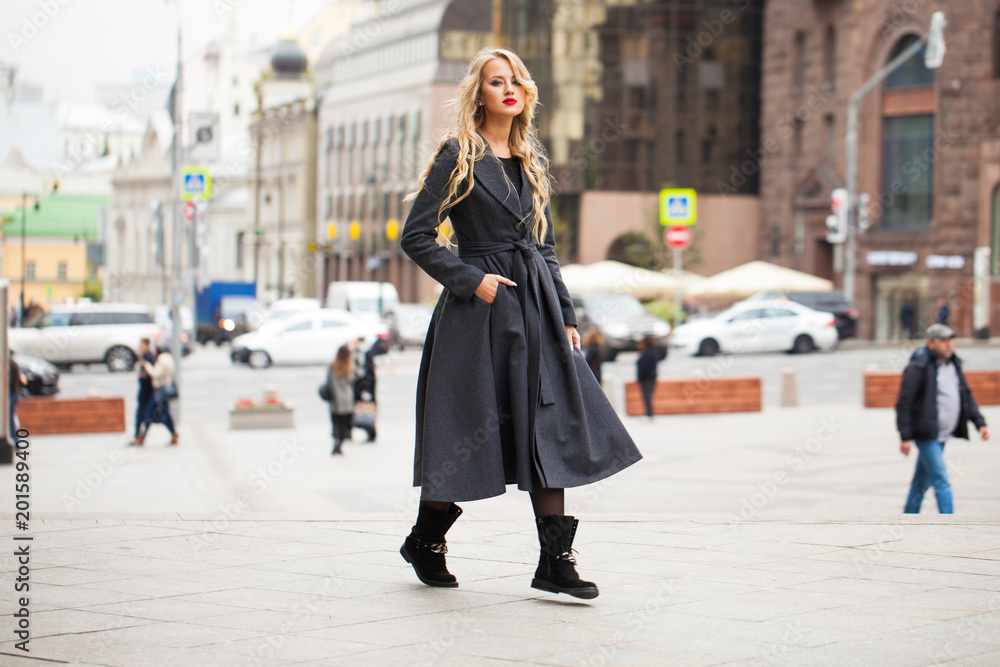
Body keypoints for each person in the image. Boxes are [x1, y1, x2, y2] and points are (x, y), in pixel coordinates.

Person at [398, 47, 641, 599]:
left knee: (545, 429)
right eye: (495, 81)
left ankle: (555, 561)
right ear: (478, 94)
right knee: (467, 433)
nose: (509, 88)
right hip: (477, 315)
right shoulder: (458, 155)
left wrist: (567, 315)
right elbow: (415, 236)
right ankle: (426, 540)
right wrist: (470, 279)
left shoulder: (531, 160)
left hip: (533, 310)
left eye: (515, 81)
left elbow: (545, 249)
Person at [895, 324, 989, 513]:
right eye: (943, 340)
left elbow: (966, 396)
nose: (948, 345)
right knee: (941, 478)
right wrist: (905, 436)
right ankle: (949, 523)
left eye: (950, 340)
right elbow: (905, 403)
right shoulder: (919, 367)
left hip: (942, 434)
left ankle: (908, 517)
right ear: (931, 343)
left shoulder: (954, 364)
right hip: (926, 434)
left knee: (920, 481)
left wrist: (980, 423)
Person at [354, 337, 390, 442]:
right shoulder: (364, 353)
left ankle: (372, 433)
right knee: (367, 411)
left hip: (367, 389)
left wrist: (366, 390)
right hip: (366, 389)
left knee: (368, 412)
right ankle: (370, 433)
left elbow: (369, 375)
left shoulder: (366, 354)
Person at [140, 346, 177, 445]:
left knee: (149, 413)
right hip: (164, 390)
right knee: (165, 413)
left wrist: (146, 365)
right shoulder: (169, 359)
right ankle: (174, 434)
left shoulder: (162, 360)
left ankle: (142, 437)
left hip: (159, 390)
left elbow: (155, 373)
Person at [328, 344, 358, 455]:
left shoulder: (332, 366)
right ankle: (340, 442)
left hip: (335, 400)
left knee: (336, 423)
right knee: (345, 425)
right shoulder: (349, 366)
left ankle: (336, 441)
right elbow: (354, 379)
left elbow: (329, 383)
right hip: (347, 400)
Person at [129, 338, 157, 446]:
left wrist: (143, 374)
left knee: (147, 415)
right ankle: (139, 437)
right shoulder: (145, 357)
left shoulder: (149, 358)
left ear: (146, 345)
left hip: (148, 392)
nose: (139, 346)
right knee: (141, 415)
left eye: (141, 344)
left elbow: (151, 374)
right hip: (144, 392)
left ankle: (140, 437)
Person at [636, 334, 659, 419]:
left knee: (647, 396)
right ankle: (648, 413)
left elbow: (643, 365)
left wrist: (640, 377)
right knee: (648, 396)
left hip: (646, 378)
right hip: (651, 377)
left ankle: (649, 414)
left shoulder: (646, 353)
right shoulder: (654, 351)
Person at [9, 352, 22, 438]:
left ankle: (15, 439)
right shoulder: (13, 364)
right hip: (14, 394)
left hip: (12, 394)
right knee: (11, 418)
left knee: (10, 419)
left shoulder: (11, 365)